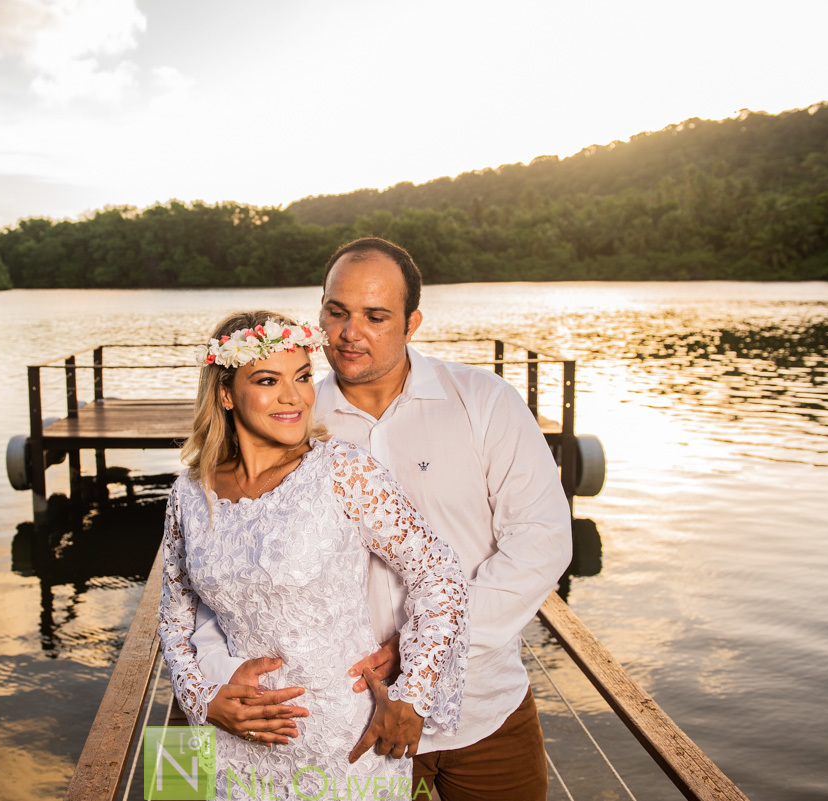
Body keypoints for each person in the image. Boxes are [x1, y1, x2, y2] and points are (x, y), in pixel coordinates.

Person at [192, 240, 573, 801]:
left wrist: (421, 649)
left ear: (412, 322)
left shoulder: (485, 401)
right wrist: (215, 679)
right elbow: (217, 569)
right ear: (319, 312)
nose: (350, 333)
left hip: (483, 707)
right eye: (337, 312)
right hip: (344, 727)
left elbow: (542, 543)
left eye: (375, 316)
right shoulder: (287, 418)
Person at [156, 310, 470, 801]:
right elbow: (174, 613)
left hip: (340, 742)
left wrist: (414, 695)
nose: (294, 396)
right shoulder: (190, 494)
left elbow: (441, 575)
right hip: (234, 740)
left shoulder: (343, 472)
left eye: (303, 377)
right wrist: (203, 699)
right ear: (224, 393)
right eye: (267, 380)